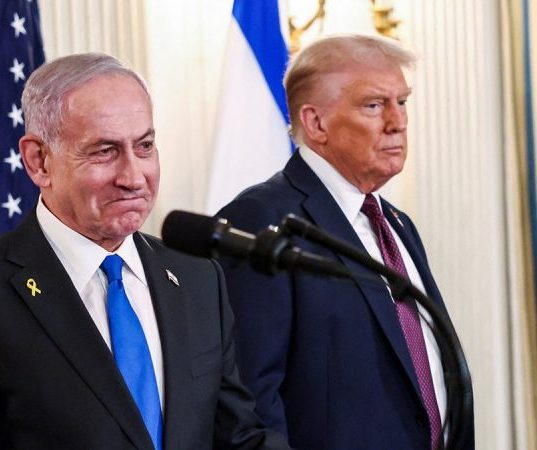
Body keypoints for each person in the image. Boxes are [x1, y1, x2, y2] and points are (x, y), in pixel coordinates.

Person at [0, 53, 292, 450]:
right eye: (105, 151)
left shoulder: (198, 277)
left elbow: (236, 435)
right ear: (39, 161)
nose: (134, 177)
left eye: (145, 146)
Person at [217, 35, 474, 450]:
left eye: (402, 102)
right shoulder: (262, 220)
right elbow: (250, 403)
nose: (397, 121)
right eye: (374, 105)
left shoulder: (397, 223)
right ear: (316, 123)